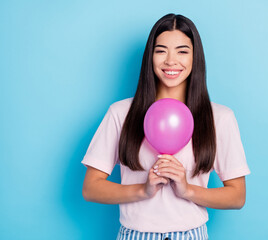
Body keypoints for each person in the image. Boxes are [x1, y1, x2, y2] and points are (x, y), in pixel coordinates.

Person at [81, 13, 251, 240]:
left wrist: (188, 189)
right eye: (161, 50)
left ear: (195, 57)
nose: (171, 61)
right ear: (150, 56)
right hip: (135, 235)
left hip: (191, 235)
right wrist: (143, 190)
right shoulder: (121, 113)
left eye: (182, 51)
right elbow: (91, 188)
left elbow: (237, 196)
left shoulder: (219, 117)